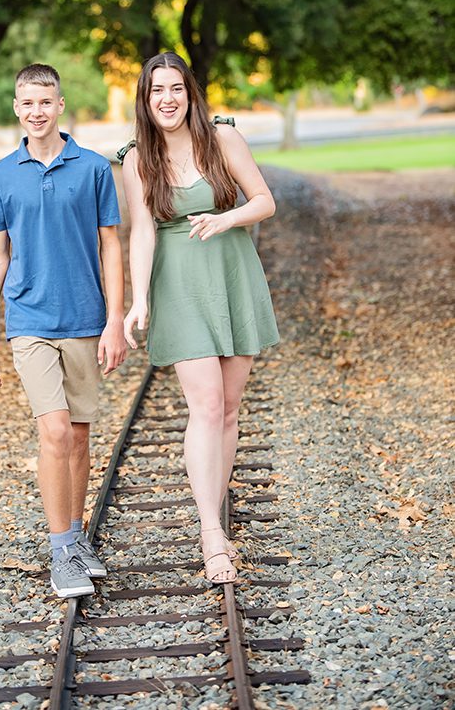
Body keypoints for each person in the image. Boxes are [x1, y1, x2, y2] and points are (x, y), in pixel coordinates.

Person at [119, 52, 279, 583]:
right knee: (206, 404)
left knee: (229, 408)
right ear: (145, 99)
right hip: (180, 283)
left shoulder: (223, 139)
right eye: (155, 90)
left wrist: (225, 217)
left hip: (233, 273)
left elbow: (264, 202)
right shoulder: (138, 159)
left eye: (176, 89)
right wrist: (138, 299)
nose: (166, 99)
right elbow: (140, 232)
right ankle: (213, 533)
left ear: (190, 94)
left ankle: (215, 504)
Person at [0, 63, 127, 598]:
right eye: (27, 103)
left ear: (60, 105)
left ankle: (78, 535)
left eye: (46, 102)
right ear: (16, 109)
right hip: (29, 320)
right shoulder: (1, 175)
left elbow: (111, 244)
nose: (36, 112)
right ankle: (61, 547)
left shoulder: (93, 169)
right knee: (55, 431)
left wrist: (115, 318)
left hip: (85, 318)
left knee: (80, 436)